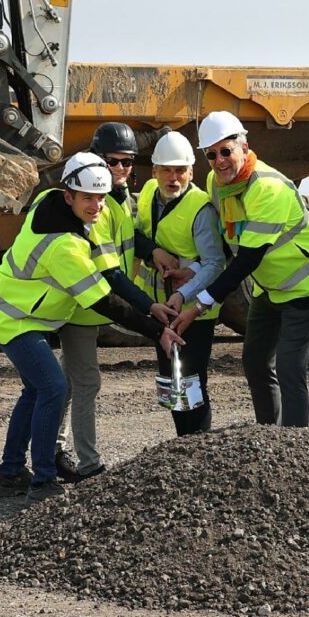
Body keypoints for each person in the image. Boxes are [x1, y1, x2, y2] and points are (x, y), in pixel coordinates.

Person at [0, 152, 182, 505]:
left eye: (101, 198)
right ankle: (42, 481)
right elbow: (104, 301)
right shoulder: (65, 248)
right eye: (88, 197)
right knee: (53, 388)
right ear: (69, 194)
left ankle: (9, 473)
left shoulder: (48, 199)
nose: (97, 206)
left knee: (35, 391)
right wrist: (156, 330)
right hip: (13, 319)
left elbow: (109, 275)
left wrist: (149, 309)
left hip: (13, 309)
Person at [169, 111, 309, 428]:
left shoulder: (266, 189)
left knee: (286, 368)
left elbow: (244, 258)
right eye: (211, 155)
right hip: (175, 305)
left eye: (225, 151)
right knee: (190, 373)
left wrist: (198, 303)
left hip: (296, 289)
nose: (218, 160)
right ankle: (187, 444)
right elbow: (224, 245)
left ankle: (289, 444)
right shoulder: (155, 197)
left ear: (244, 146)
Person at [54, 123, 170, 483]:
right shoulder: (97, 207)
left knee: (67, 383)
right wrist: (150, 309)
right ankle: (89, 466)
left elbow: (129, 237)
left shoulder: (117, 199)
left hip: (96, 305)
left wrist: (153, 252)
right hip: (86, 307)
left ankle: (50, 451)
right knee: (86, 383)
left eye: (128, 162)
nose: (121, 169)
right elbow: (111, 275)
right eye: (113, 161)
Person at [132, 131, 225, 435]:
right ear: (155, 170)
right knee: (170, 379)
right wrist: (152, 251)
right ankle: (181, 444)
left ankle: (197, 446)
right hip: (161, 308)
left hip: (193, 311)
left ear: (191, 172)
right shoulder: (147, 192)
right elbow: (136, 234)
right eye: (167, 170)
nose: (174, 178)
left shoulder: (201, 208)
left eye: (180, 171)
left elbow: (214, 263)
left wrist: (183, 292)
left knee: (191, 380)